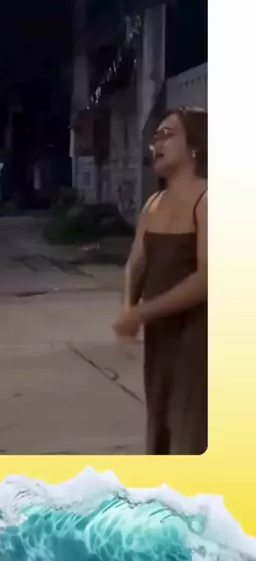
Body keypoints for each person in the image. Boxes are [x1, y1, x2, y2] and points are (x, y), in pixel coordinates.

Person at [113, 107, 208, 454]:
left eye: (168, 134)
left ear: (195, 144)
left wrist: (142, 312)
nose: (157, 144)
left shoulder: (207, 200)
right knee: (161, 420)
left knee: (190, 424)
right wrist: (129, 305)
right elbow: (136, 263)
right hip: (160, 336)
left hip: (199, 335)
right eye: (155, 137)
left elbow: (208, 278)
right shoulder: (153, 203)